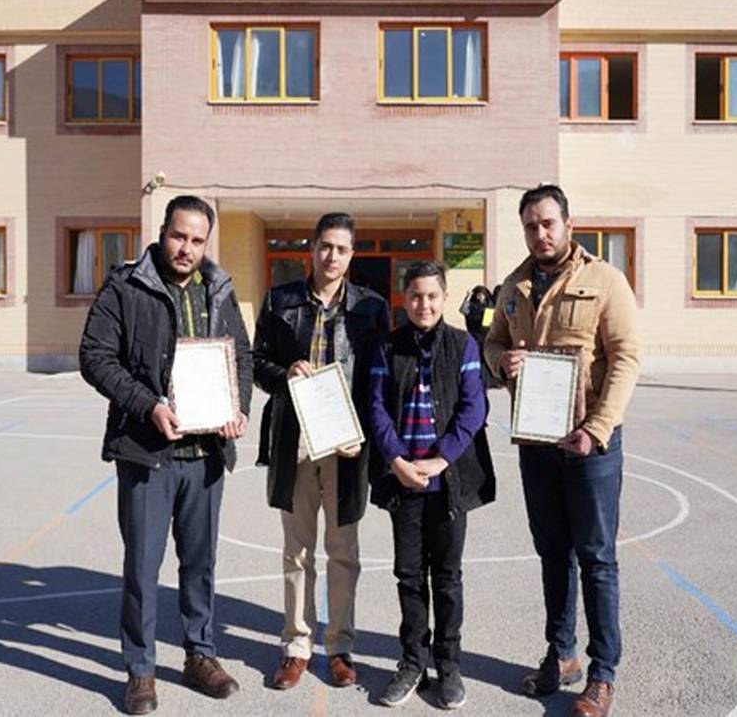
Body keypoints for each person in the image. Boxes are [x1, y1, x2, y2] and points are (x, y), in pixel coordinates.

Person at [79, 195, 253, 715]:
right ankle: (141, 669)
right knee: (142, 566)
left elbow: (240, 357)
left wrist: (237, 407)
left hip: (206, 455)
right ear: (162, 232)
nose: (187, 248)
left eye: (197, 240)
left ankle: (200, 655)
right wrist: (147, 405)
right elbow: (95, 356)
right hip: (147, 452)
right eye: (179, 236)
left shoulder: (218, 288)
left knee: (200, 563)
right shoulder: (126, 286)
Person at [483, 185, 640, 717]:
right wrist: (502, 361)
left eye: (548, 223)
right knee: (553, 553)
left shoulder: (605, 280)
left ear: (569, 224)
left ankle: (602, 673)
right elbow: (493, 342)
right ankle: (562, 654)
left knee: (596, 558)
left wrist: (597, 428)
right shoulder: (514, 286)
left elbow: (626, 358)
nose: (540, 234)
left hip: (590, 445)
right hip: (537, 443)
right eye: (531, 226)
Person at [252, 213, 390, 690]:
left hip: (346, 442)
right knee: (297, 550)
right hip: (295, 438)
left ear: (352, 255)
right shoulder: (280, 300)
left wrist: (364, 436)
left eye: (342, 249)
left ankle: (340, 646)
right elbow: (256, 362)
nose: (332, 256)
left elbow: (379, 380)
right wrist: (283, 374)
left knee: (343, 550)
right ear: (311, 249)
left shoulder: (371, 307)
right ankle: (296, 646)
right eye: (325, 246)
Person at [368, 260, 495, 710]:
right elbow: (377, 408)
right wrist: (397, 461)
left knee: (447, 577)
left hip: (447, 483)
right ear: (404, 299)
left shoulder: (463, 345)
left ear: (444, 298)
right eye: (416, 296)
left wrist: (441, 460)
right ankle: (412, 662)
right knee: (408, 575)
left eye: (432, 296)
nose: (424, 304)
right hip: (404, 482)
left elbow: (473, 409)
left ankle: (449, 665)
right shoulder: (387, 347)